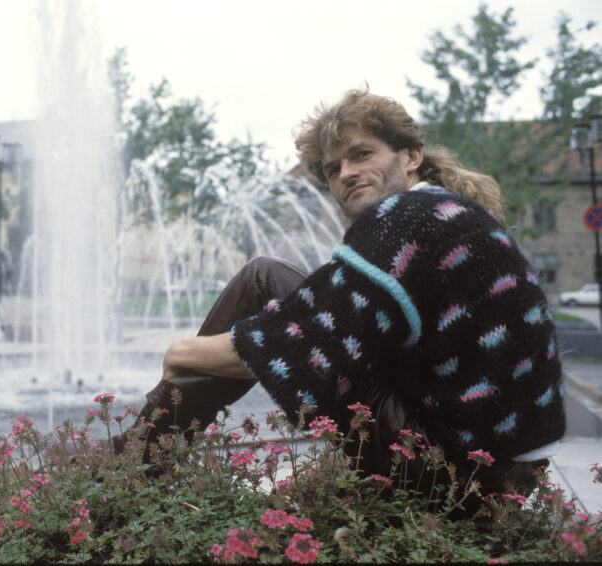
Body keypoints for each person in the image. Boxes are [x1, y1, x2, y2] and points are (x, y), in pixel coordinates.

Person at [118, 90, 565, 510]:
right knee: (273, 278)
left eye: (362, 154)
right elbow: (335, 310)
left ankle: (127, 472)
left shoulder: (405, 217)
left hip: (454, 471)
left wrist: (184, 353)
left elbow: (306, 345)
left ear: (411, 157)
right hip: (501, 467)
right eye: (333, 168)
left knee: (267, 288)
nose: (346, 173)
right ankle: (142, 456)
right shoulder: (447, 210)